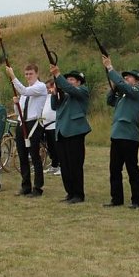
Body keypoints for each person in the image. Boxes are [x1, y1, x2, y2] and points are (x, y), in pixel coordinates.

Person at [102, 56, 139, 209]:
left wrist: (110, 69)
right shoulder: (123, 96)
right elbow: (109, 100)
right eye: (125, 77)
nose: (126, 79)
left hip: (129, 135)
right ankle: (116, 198)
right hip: (117, 134)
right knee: (114, 168)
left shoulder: (137, 92)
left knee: (132, 168)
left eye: (129, 77)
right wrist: (114, 87)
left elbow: (124, 86)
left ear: (137, 81)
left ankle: (136, 200)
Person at [50, 64, 91, 204]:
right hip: (61, 131)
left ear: (78, 82)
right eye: (67, 79)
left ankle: (78, 194)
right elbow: (54, 106)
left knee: (75, 164)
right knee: (65, 165)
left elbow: (70, 89)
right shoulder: (65, 94)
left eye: (71, 79)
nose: (68, 82)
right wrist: (55, 93)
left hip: (75, 131)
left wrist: (58, 75)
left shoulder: (82, 91)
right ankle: (70, 192)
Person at [6, 63, 48, 197]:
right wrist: (15, 103)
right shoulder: (26, 91)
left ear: (37, 74)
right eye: (26, 74)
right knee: (22, 155)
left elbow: (23, 90)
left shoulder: (40, 87)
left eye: (31, 74)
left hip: (33, 124)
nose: (28, 76)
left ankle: (38, 187)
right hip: (21, 123)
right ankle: (26, 186)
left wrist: (12, 76)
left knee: (34, 156)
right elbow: (19, 111)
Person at [41, 79, 60, 175]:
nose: (47, 89)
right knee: (51, 148)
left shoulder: (56, 95)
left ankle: (60, 166)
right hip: (46, 125)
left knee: (57, 147)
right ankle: (54, 165)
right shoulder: (46, 97)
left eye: (48, 87)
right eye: (46, 88)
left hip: (54, 125)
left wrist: (55, 92)